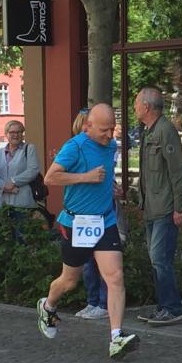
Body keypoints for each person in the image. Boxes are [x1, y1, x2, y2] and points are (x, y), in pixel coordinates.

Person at [37, 103, 138, 359]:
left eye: (112, 129)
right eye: (104, 130)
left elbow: (104, 175)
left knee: (115, 277)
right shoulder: (75, 147)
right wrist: (85, 177)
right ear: (88, 126)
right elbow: (50, 178)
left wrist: (112, 187)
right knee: (70, 281)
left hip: (105, 221)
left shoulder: (111, 146)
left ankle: (116, 337)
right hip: (77, 223)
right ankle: (48, 305)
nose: (109, 135)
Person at [134, 87, 182, 326]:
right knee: (156, 260)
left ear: (146, 106)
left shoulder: (165, 131)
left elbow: (178, 172)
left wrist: (180, 207)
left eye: (137, 104)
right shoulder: (150, 131)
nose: (135, 108)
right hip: (152, 207)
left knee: (160, 259)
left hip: (165, 208)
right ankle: (163, 308)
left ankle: (172, 308)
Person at [70, 108, 108, 321]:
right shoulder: (74, 148)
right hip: (82, 217)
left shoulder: (102, 147)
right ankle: (92, 301)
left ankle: (104, 303)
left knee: (102, 261)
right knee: (87, 263)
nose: (87, 128)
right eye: (85, 124)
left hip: (99, 214)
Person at [0, 120, 41, 209]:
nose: (15, 135)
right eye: (12, 132)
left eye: (19, 132)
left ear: (22, 134)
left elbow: (33, 170)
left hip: (22, 202)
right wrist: (4, 186)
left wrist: (13, 182)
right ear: (6, 134)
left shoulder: (29, 149)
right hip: (2, 203)